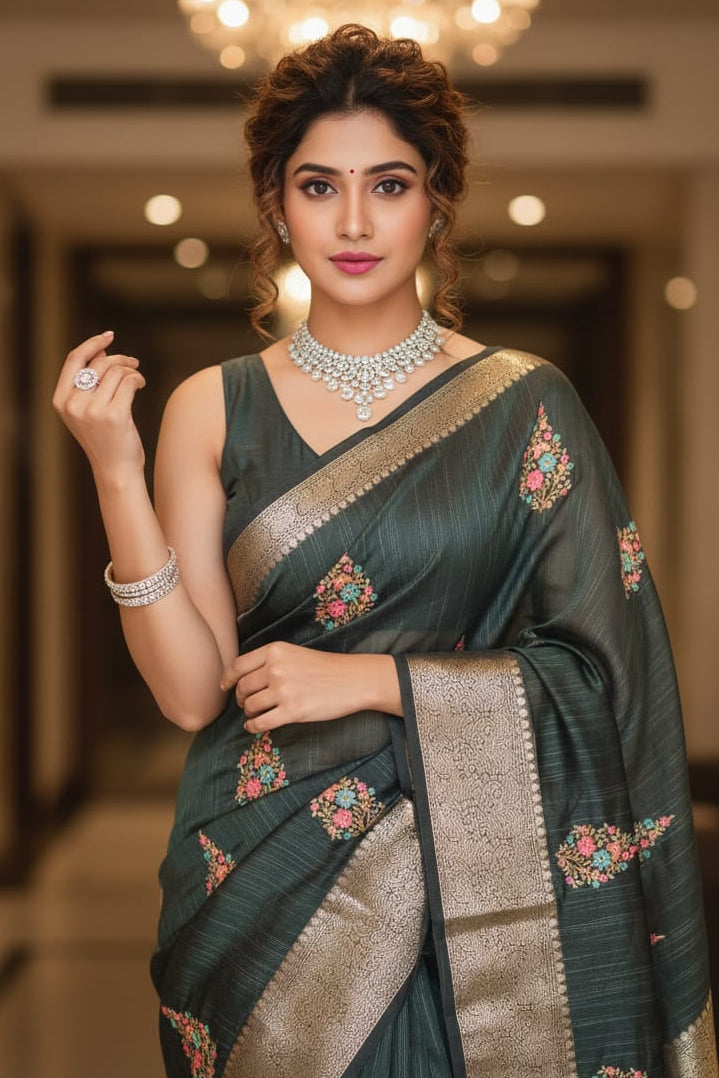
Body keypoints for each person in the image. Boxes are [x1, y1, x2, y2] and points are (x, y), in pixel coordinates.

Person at [53, 23, 716, 1078]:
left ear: (436, 200)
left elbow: (603, 672)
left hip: (477, 898)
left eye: (388, 185)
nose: (353, 221)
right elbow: (189, 693)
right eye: (318, 186)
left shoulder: (525, 405)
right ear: (275, 203)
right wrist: (113, 471)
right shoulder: (211, 407)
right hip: (260, 879)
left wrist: (371, 680)